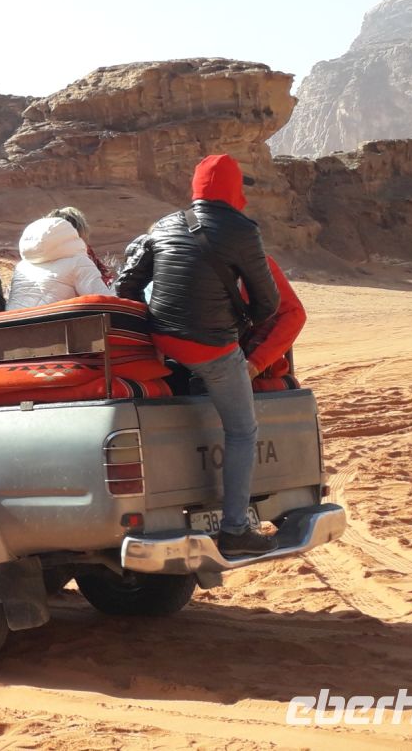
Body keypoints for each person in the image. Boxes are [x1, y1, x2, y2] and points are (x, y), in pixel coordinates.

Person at [115, 154, 280, 556]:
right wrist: (241, 328)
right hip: (213, 349)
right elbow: (268, 300)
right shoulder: (242, 229)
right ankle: (235, 528)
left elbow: (126, 286)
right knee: (242, 430)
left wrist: (153, 329)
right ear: (233, 187)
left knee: (193, 381)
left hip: (162, 343)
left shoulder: (165, 224)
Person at [5, 212, 112, 310]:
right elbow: (105, 303)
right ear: (72, 234)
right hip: (57, 328)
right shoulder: (78, 263)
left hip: (13, 327)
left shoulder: (22, 267)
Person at [243, 256, 306, 388]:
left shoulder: (255, 262)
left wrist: (256, 362)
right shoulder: (193, 263)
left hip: (244, 368)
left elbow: (294, 314)